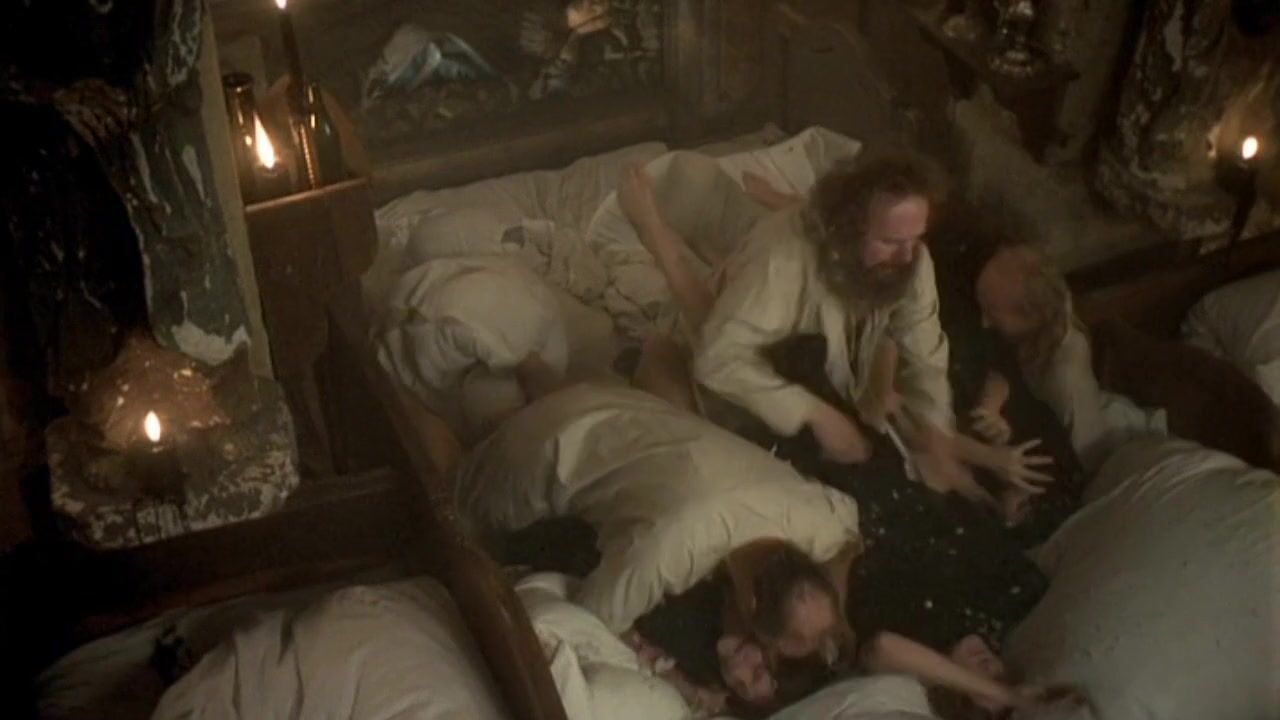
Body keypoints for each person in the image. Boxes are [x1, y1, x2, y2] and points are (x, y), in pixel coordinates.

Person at [616, 159, 1053, 508]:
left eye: (915, 238)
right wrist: (815, 414)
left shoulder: (910, 258)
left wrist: (937, 428)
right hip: (740, 384)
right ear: (848, 229)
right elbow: (718, 357)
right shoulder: (782, 261)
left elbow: (923, 349)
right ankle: (659, 231)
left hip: (812, 374)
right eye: (890, 241)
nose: (908, 257)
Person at [973, 244, 1165, 471]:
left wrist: (1002, 433)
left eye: (992, 313)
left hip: (1101, 449)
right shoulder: (1047, 313)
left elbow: (1084, 459)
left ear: (1032, 316)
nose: (984, 322)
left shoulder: (1064, 379)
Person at [627, 540, 842, 717]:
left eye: (739, 687)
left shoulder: (704, 671)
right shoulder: (730, 587)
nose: (736, 672)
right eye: (758, 670)